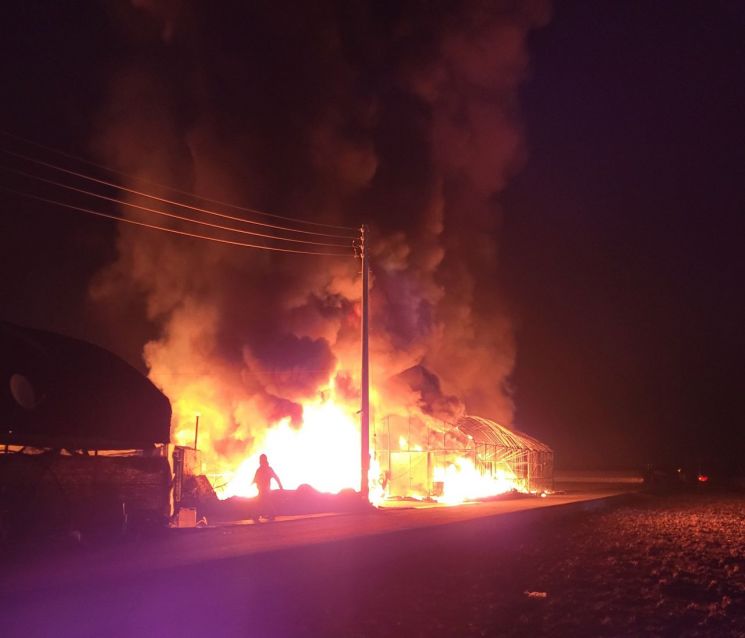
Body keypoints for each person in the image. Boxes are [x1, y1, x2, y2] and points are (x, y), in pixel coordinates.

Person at [252, 454, 283, 521]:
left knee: (262, 501)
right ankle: (269, 514)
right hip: (263, 488)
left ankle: (259, 515)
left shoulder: (265, 469)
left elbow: (275, 477)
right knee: (263, 501)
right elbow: (255, 478)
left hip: (264, 489)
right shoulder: (264, 469)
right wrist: (280, 486)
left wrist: (280, 486)